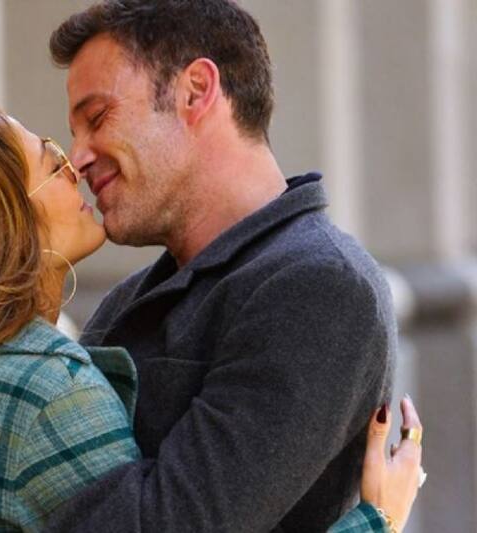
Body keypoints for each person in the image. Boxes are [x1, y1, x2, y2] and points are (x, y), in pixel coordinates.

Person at [0, 102, 421, 533]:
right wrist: (377, 520)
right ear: (0, 220)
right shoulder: (44, 392)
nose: (73, 164)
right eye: (49, 159)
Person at [42, 0, 410, 531]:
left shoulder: (320, 287)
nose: (77, 158)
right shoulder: (128, 298)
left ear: (196, 91)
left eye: (97, 118)